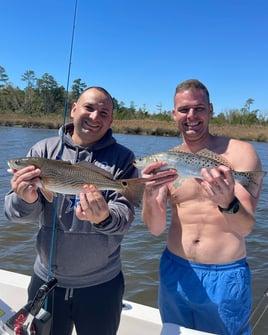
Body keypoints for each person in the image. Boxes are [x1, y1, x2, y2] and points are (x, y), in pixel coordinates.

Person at [5, 86, 138, 335]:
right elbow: (13, 215)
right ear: (74, 109)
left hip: (102, 285)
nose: (95, 117)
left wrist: (104, 217)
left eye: (104, 112)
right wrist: (26, 199)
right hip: (46, 282)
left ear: (111, 120)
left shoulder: (123, 158)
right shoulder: (42, 150)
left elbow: (125, 219)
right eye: (88, 108)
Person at [141, 79, 264, 335]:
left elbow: (246, 228)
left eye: (198, 108)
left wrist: (227, 203)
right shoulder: (166, 161)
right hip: (174, 270)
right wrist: (150, 193)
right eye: (184, 110)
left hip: (225, 275)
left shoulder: (241, 153)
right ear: (174, 114)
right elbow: (154, 228)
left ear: (211, 109)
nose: (191, 116)